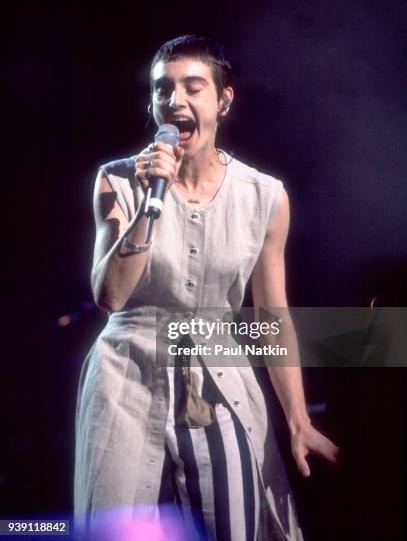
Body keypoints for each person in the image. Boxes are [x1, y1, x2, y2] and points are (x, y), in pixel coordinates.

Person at [74, 35, 340, 541]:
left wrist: (298, 417)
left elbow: (271, 315)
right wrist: (151, 205)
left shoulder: (264, 196)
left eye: (192, 88)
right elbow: (109, 296)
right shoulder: (119, 181)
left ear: (223, 99)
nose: (174, 101)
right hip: (125, 381)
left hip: (220, 382)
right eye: (162, 90)